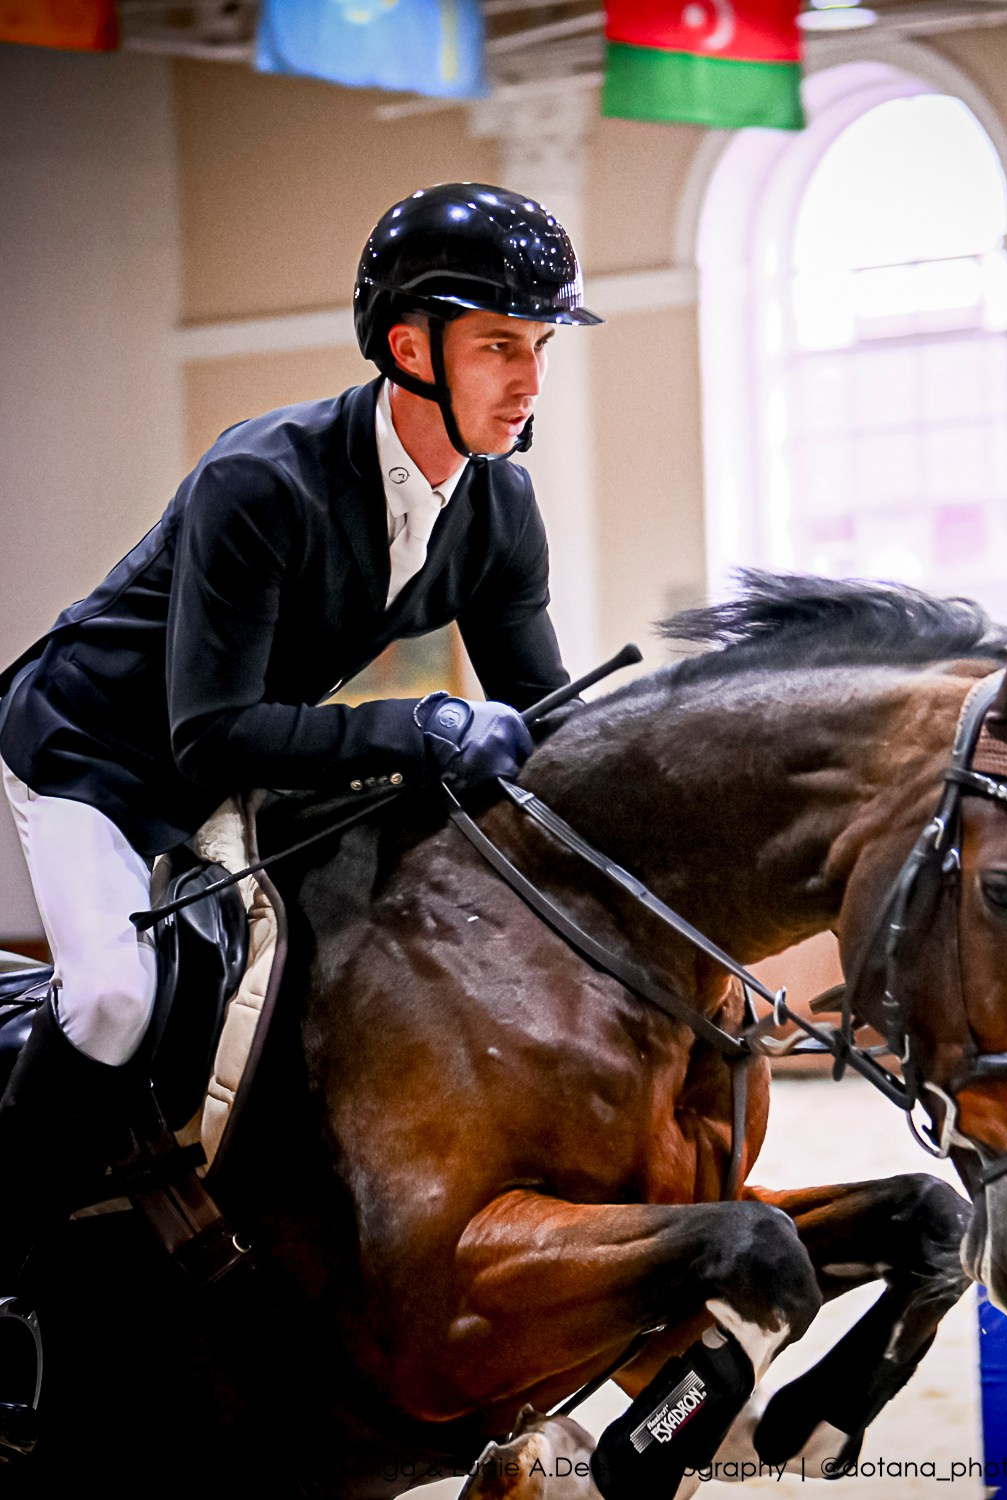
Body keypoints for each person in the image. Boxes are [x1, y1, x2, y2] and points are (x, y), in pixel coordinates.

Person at [0, 182, 600, 1453]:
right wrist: (418, 729)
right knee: (111, 998)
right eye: (501, 342)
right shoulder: (260, 478)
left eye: (539, 346)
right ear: (408, 346)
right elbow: (204, 733)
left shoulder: (496, 507)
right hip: (94, 755)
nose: (528, 377)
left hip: (235, 773)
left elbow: (545, 709)